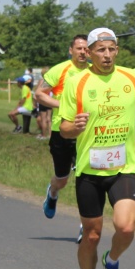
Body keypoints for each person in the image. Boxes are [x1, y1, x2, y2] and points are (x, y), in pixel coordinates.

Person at [58, 28, 135, 269]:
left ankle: (112, 262)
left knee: (125, 227)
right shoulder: (77, 82)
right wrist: (77, 126)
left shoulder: (133, 77)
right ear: (89, 52)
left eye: (111, 49)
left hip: (123, 168)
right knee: (92, 235)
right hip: (89, 171)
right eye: (101, 49)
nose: (107, 55)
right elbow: (64, 129)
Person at [35, 34, 89, 221]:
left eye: (86, 48)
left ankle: (87, 224)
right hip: (62, 131)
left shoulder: (94, 71)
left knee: (87, 179)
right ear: (71, 50)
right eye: (79, 48)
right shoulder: (60, 70)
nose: (83, 52)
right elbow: (39, 94)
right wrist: (62, 106)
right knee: (62, 179)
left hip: (86, 132)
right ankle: (53, 193)